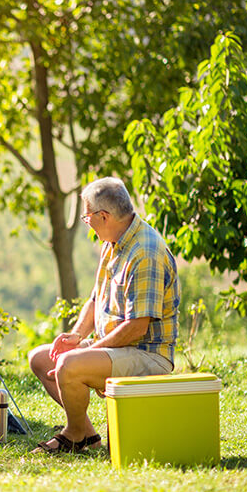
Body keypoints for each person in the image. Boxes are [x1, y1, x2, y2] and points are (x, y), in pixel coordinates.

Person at [28, 177, 180, 454]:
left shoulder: (145, 252)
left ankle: (72, 434)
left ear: (104, 216)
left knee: (68, 365)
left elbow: (137, 327)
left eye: (88, 218)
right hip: (117, 346)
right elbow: (96, 298)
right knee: (40, 358)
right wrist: (75, 337)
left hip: (148, 354)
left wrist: (88, 354)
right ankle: (87, 434)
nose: (88, 223)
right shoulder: (114, 241)